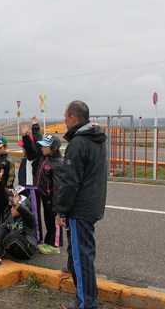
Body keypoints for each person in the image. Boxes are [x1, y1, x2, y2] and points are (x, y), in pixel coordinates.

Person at [56, 100, 107, 309]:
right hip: (91, 204)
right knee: (85, 254)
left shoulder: (78, 143)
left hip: (80, 208)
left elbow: (70, 181)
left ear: (73, 118)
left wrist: (61, 210)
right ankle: (85, 299)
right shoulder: (96, 139)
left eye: (65, 116)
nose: (64, 120)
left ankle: (86, 303)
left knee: (81, 257)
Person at [0, 186, 38, 265]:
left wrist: (19, 206)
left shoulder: (28, 220)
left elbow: (28, 215)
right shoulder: (11, 219)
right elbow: (2, 229)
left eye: (14, 207)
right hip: (14, 249)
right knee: (3, 234)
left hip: (27, 249)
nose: (11, 209)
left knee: (13, 234)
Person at [29, 134, 64, 255]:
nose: (43, 148)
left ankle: (55, 245)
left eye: (46, 146)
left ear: (54, 148)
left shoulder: (57, 163)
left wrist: (56, 206)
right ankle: (49, 241)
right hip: (44, 196)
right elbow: (38, 144)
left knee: (54, 221)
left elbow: (58, 187)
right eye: (42, 146)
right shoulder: (45, 158)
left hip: (52, 198)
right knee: (48, 220)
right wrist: (35, 127)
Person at [17, 117, 42, 242]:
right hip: (24, 188)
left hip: (32, 188)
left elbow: (31, 149)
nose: (23, 148)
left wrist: (25, 136)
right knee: (24, 213)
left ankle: (37, 238)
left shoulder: (33, 156)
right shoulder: (25, 157)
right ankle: (28, 235)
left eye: (24, 146)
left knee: (34, 214)